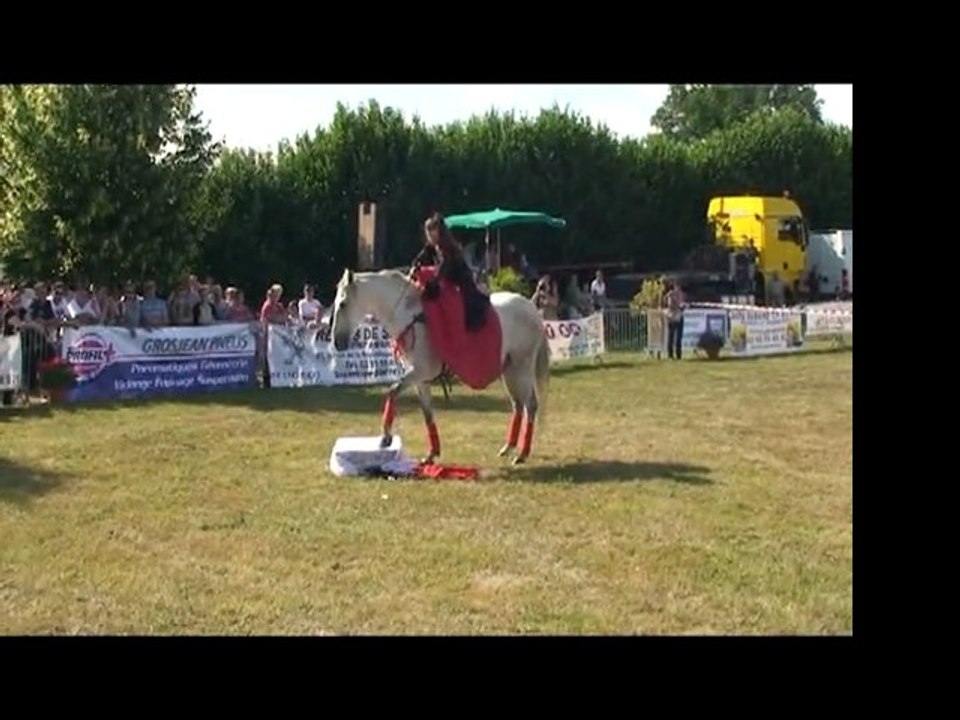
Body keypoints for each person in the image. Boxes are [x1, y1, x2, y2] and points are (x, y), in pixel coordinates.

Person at [412, 212, 490, 331]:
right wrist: (415, 268)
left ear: (439, 232)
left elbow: (443, 269)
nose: (429, 235)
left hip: (461, 285)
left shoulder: (447, 248)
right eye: (427, 232)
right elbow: (419, 260)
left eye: (432, 231)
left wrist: (431, 285)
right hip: (448, 284)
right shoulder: (432, 248)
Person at [663, 281, 686, 360]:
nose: (678, 288)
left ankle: (679, 355)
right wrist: (677, 305)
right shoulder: (671, 294)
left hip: (679, 316)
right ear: (674, 286)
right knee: (671, 337)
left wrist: (683, 307)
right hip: (672, 316)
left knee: (679, 337)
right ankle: (670, 355)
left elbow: (683, 304)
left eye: (679, 286)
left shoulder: (682, 294)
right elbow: (669, 305)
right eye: (677, 286)